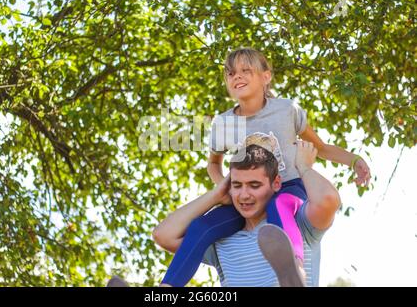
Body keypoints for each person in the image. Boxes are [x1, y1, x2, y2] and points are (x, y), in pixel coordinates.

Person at [154, 47, 371, 287]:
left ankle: (294, 271)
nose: (237, 76)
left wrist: (353, 160)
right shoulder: (224, 123)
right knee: (201, 226)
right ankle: (165, 289)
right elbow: (213, 165)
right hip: (249, 196)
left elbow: (320, 147)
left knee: (280, 206)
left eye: (246, 70)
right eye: (230, 73)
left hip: (288, 188)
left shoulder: (287, 110)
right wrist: (223, 189)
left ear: (266, 77)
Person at [153, 141, 340, 286]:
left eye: (254, 185)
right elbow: (163, 235)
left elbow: (328, 200)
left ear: (276, 183)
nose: (244, 195)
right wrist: (216, 194)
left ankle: (296, 271)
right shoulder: (221, 241)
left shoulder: (299, 223)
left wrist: (304, 166)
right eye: (237, 185)